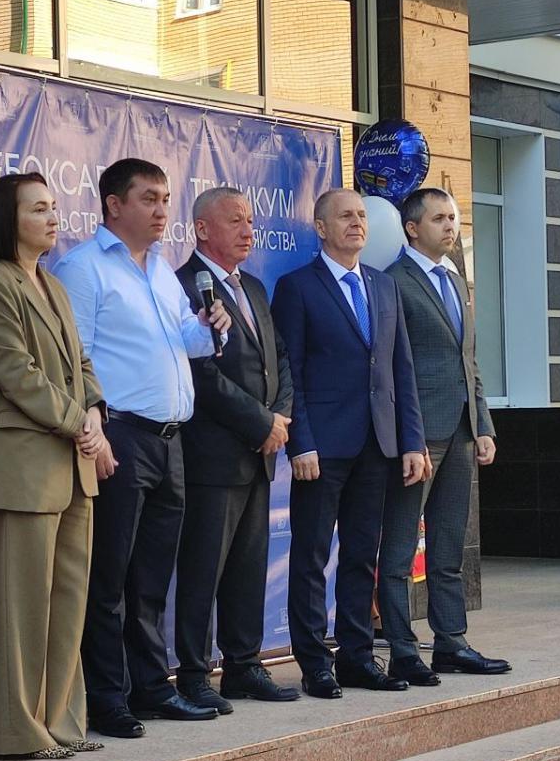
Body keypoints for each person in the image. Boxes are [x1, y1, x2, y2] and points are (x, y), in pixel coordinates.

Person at [52, 158, 232, 739]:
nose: (161, 211)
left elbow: (189, 342)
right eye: (149, 198)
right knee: (109, 578)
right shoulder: (83, 268)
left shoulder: (160, 269)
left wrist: (210, 325)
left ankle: (153, 687)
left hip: (171, 440)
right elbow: (73, 359)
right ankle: (107, 698)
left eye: (165, 199)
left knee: (152, 580)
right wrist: (96, 431)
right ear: (114, 205)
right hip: (120, 436)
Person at [0, 172, 109, 760]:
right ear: (10, 220)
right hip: (25, 469)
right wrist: (79, 421)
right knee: (21, 606)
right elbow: (17, 374)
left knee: (67, 600)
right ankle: (16, 731)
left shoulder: (51, 284)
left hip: (73, 464)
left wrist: (95, 410)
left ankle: (61, 724)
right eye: (38, 209)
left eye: (53, 207)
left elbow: (80, 362)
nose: (53, 218)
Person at [270, 188, 426, 698]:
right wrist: (301, 443)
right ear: (321, 227)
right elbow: (290, 371)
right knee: (312, 557)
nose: (357, 223)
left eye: (361, 215)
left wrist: (411, 440)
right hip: (322, 448)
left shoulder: (383, 286)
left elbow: (401, 369)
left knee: (361, 555)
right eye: (345, 216)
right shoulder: (297, 287)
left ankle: (357, 657)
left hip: (378, 444)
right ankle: (315, 662)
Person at [173, 187, 299, 712]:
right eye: (235, 221)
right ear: (203, 229)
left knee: (248, 567)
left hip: (261, 452)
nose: (249, 231)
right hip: (213, 455)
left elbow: (279, 359)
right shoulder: (183, 286)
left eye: (250, 221)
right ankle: (193, 675)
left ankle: (244, 666)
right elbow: (199, 373)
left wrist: (279, 418)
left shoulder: (254, 287)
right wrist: (259, 421)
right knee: (203, 570)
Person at [380, 188, 510, 686]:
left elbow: (468, 359)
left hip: (461, 431)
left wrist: (483, 425)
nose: (451, 226)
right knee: (398, 550)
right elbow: (393, 367)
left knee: (449, 545)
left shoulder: (455, 280)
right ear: (412, 228)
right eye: (439, 219)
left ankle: (451, 643)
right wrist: (409, 437)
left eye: (453, 218)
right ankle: (402, 650)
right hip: (417, 436)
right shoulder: (394, 282)